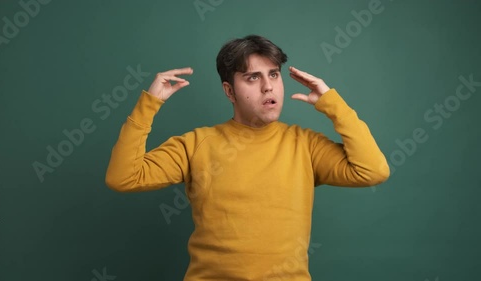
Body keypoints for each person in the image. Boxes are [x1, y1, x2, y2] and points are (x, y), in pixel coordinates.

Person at [105, 34, 390, 281]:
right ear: (229, 91)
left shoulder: (304, 145)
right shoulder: (195, 144)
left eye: (274, 74)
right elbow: (123, 177)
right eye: (253, 77)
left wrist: (333, 105)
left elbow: (373, 171)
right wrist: (148, 106)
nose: (268, 87)